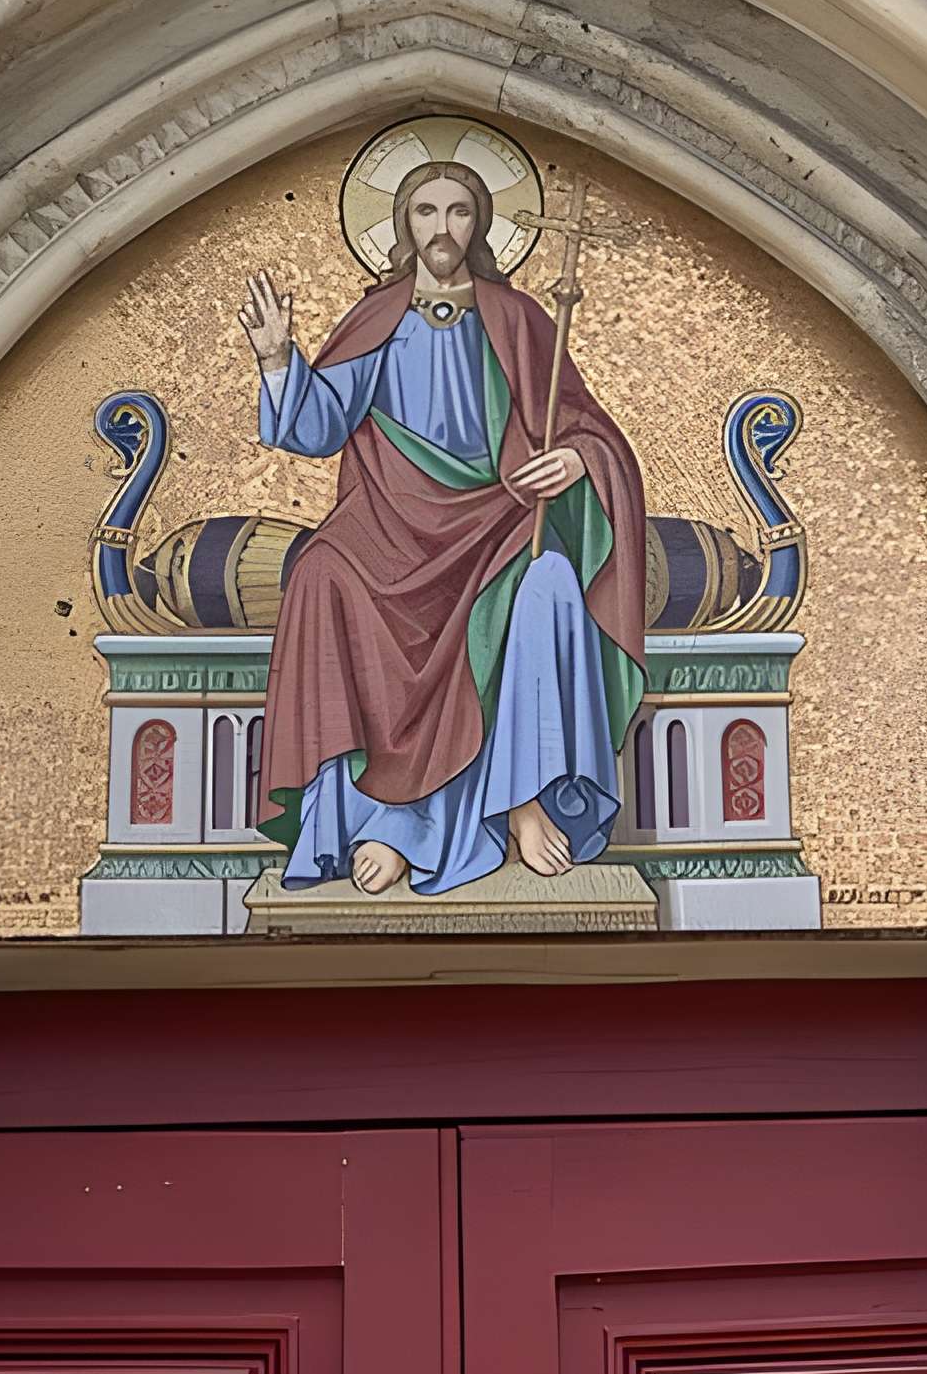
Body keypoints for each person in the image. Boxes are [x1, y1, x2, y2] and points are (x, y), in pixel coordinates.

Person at [238, 162, 648, 895]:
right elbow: (318, 422)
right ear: (402, 224)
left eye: (459, 212)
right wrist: (277, 361)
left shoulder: (517, 316)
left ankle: (522, 798)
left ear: (481, 223)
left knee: (548, 582)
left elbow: (589, 428)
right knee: (319, 573)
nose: (442, 228)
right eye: (426, 211)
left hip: (500, 513)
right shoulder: (378, 317)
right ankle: (376, 823)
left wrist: (577, 460)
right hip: (392, 519)